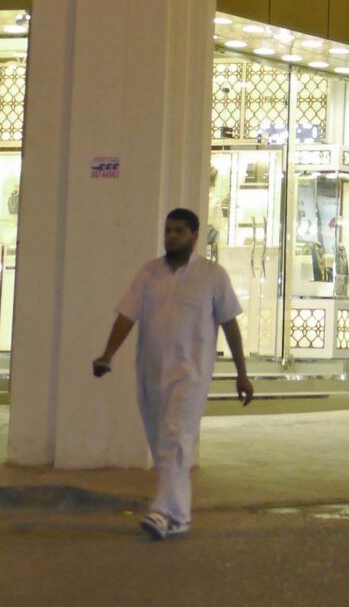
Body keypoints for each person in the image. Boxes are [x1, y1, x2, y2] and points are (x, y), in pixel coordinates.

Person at [94, 207, 252, 541]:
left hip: (191, 376)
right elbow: (126, 316)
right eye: (168, 231)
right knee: (162, 444)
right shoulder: (149, 273)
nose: (172, 237)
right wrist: (108, 354)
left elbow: (230, 324)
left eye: (179, 231)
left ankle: (161, 510)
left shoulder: (212, 276)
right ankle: (178, 517)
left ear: (195, 237)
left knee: (176, 438)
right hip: (151, 373)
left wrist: (242, 373)